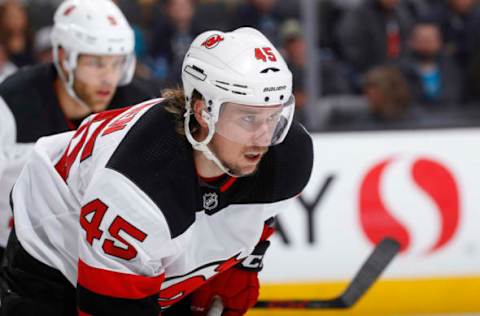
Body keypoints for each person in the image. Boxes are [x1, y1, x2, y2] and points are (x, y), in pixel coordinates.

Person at [0, 27, 313, 316]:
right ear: (205, 111)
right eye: (248, 119)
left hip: (148, 255)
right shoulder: (136, 188)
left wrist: (240, 268)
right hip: (53, 256)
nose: (263, 139)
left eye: (272, 117)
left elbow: (260, 217)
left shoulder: (287, 155)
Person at [0, 0, 155, 258]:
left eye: (116, 63)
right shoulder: (11, 103)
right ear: (63, 57)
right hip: (13, 256)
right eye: (95, 63)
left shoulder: (137, 106)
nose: (108, 78)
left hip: (90, 260)